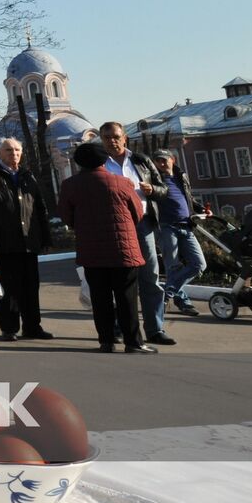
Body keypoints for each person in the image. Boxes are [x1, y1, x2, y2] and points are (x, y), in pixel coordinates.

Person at [59, 142, 151, 352]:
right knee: (127, 297)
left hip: (91, 251)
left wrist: (81, 225)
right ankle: (133, 342)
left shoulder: (70, 185)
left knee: (100, 298)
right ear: (103, 160)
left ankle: (106, 341)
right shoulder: (121, 182)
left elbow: (66, 216)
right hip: (123, 250)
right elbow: (137, 212)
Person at [0, 137, 54, 342]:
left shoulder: (27, 176)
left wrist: (45, 238)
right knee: (8, 288)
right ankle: (9, 328)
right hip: (2, 242)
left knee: (31, 287)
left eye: (17, 149)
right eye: (8, 149)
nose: (13, 153)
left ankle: (33, 327)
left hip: (28, 242)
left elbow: (40, 208)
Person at [99, 121, 174, 346]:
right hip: (114, 227)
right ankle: (120, 327)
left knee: (150, 276)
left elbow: (163, 189)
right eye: (106, 137)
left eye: (115, 136)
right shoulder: (100, 164)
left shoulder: (140, 161)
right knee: (119, 280)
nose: (112, 140)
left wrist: (153, 190)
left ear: (125, 138)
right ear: (101, 140)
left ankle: (154, 329)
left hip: (143, 224)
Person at [151, 149, 207, 317]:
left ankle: (167, 293)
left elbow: (188, 197)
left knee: (199, 265)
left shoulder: (181, 176)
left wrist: (200, 208)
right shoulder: (154, 179)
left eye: (163, 160)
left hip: (187, 226)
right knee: (173, 267)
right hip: (166, 227)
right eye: (157, 161)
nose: (161, 164)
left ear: (172, 160)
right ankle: (183, 301)